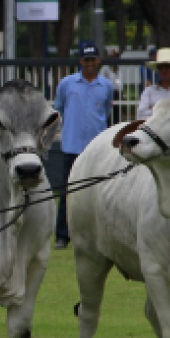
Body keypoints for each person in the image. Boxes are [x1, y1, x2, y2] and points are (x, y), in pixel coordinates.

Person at [52, 42, 113, 249]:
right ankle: (62, 235)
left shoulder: (106, 85)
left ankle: (100, 233)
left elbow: (106, 110)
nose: (89, 64)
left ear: (98, 61)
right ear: (80, 61)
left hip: (97, 148)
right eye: (85, 60)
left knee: (99, 190)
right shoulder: (67, 84)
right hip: (72, 145)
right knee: (68, 191)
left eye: (92, 59)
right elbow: (59, 108)